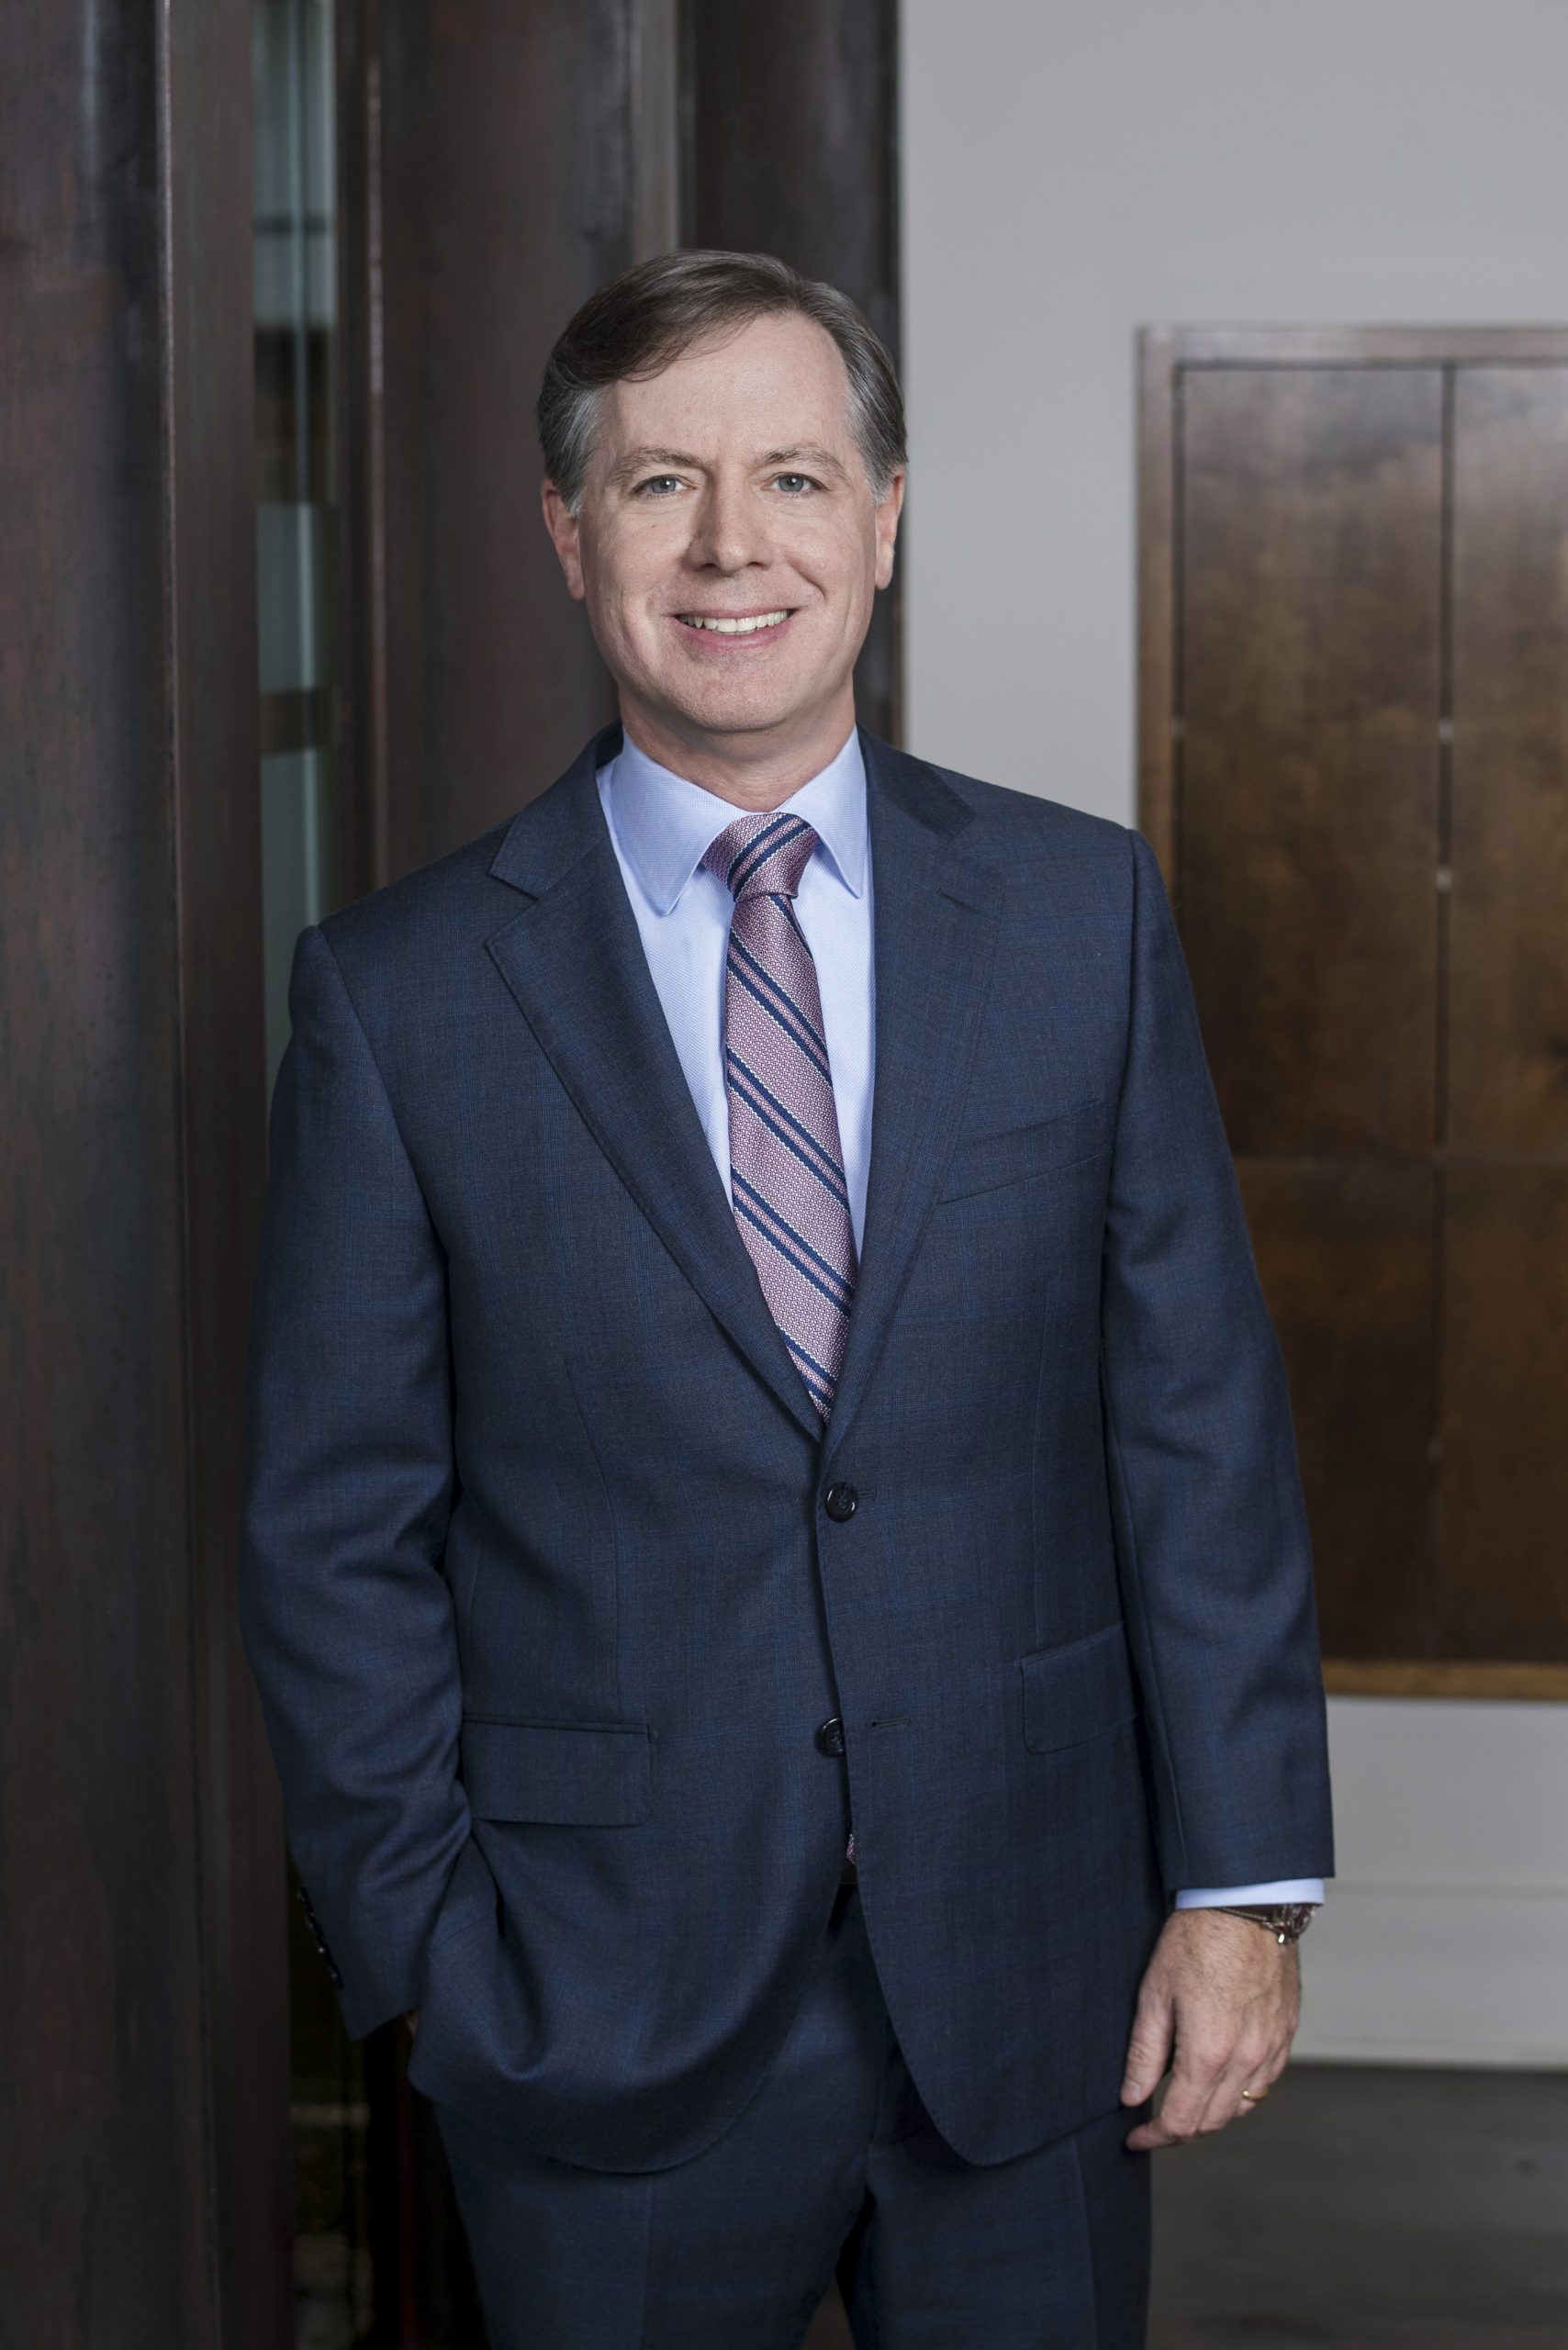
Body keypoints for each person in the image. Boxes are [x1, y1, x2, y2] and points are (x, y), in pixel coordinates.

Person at [240, 249, 1333, 2349]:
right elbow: (331, 1530)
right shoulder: (394, 997)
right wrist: (429, 1948)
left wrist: (1239, 1884)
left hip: (1036, 1977)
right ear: (569, 531)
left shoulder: (1077, 916)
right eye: (661, 482)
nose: (731, 545)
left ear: (883, 517)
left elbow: (1193, 1425)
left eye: (795, 477)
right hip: (590, 2002)